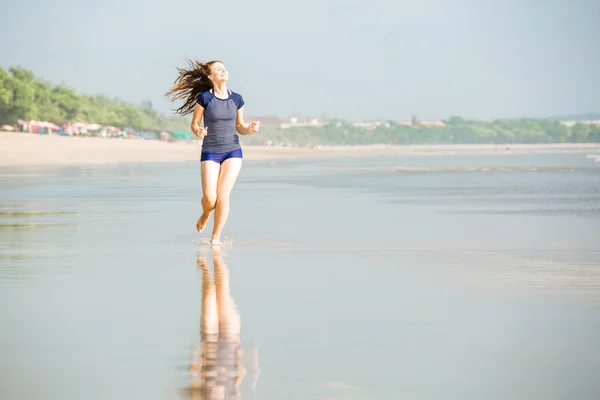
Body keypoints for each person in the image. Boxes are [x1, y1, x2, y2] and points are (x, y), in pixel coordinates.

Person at [165, 59, 260, 244]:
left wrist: (249, 129)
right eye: (218, 69)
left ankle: (215, 237)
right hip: (210, 151)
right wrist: (198, 130)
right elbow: (194, 123)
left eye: (225, 68)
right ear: (210, 76)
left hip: (233, 151)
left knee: (223, 195)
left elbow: (239, 126)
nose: (223, 71)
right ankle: (206, 213)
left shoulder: (237, 99)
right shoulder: (205, 98)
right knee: (210, 199)